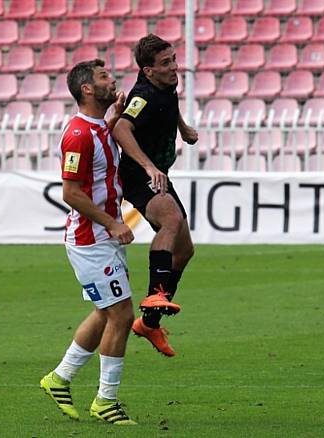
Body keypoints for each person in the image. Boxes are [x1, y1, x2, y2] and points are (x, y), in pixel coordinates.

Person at [39, 59, 137, 425]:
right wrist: (112, 222)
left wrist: (115, 114)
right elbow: (71, 192)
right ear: (87, 90)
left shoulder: (98, 127)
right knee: (122, 314)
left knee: (106, 313)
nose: (112, 79)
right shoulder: (78, 134)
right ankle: (105, 401)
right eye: (104, 77)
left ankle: (60, 378)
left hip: (102, 238)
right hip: (90, 238)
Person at [112, 34, 198, 357]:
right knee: (171, 220)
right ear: (148, 71)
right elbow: (121, 128)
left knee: (185, 250)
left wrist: (183, 127)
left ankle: (149, 322)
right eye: (166, 63)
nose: (174, 67)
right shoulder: (143, 95)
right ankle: (155, 295)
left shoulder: (165, 84)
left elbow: (170, 103)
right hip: (139, 175)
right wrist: (148, 166)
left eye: (173, 59)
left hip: (159, 172)